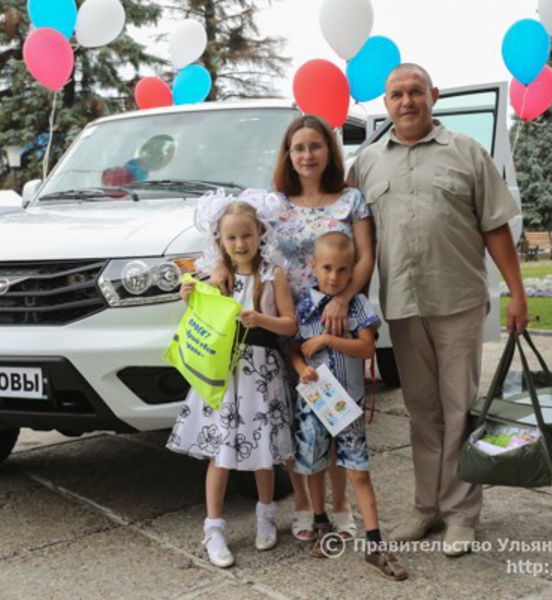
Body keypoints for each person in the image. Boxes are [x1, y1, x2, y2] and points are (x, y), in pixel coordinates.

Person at [349, 63, 529, 557]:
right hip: (403, 308)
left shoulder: (466, 153)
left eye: (414, 92)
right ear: (384, 104)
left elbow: (495, 228)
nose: (405, 102)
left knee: (460, 409)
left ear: (433, 95)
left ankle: (461, 515)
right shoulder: (366, 163)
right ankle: (426, 508)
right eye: (395, 95)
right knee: (421, 411)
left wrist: (517, 291)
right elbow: (349, 238)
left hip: (458, 302)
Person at [211, 115, 375, 541]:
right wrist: (216, 263)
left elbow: (365, 259)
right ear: (288, 154)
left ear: (329, 152)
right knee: (292, 418)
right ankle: (304, 505)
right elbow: (235, 237)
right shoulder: (274, 204)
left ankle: (339, 505)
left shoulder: (350, 200)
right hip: (287, 323)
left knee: (337, 412)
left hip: (335, 321)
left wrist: (341, 300)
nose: (307, 155)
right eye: (298, 148)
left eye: (315, 146)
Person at [166, 193, 298, 568]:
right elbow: (202, 322)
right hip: (225, 375)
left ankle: (266, 514)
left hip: (261, 373)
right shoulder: (213, 276)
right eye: (232, 238)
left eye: (247, 236)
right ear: (220, 241)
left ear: (260, 234)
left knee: (263, 455)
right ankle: (214, 527)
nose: (240, 244)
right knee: (220, 454)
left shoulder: (274, 275)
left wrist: (262, 320)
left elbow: (290, 324)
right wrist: (189, 296)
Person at [290, 231, 407, 581]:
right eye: (326, 268)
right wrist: (301, 369)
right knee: (314, 465)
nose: (334, 277)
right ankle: (321, 521)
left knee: (358, 471)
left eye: (343, 270)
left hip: (347, 407)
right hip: (313, 405)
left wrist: (328, 339)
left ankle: (374, 544)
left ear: (352, 270)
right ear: (313, 266)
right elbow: (294, 348)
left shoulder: (356, 305)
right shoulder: (304, 305)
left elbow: (367, 348)